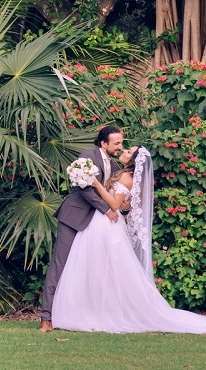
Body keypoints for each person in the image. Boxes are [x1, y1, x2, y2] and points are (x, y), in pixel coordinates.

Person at [50, 147, 206, 334]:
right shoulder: (120, 172)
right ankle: (92, 310)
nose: (124, 150)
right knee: (95, 269)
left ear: (134, 161)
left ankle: (101, 313)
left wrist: (95, 185)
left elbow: (115, 205)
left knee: (104, 270)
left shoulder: (126, 176)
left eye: (128, 150)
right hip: (100, 225)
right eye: (123, 147)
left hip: (107, 224)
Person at [39, 125, 131, 332]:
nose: (119, 146)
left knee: (89, 269)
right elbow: (85, 190)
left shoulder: (115, 167)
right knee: (59, 264)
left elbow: (113, 192)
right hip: (74, 217)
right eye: (116, 143)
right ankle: (46, 317)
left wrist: (123, 205)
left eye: (121, 143)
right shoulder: (86, 157)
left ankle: (79, 314)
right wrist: (107, 210)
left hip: (97, 226)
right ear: (103, 143)